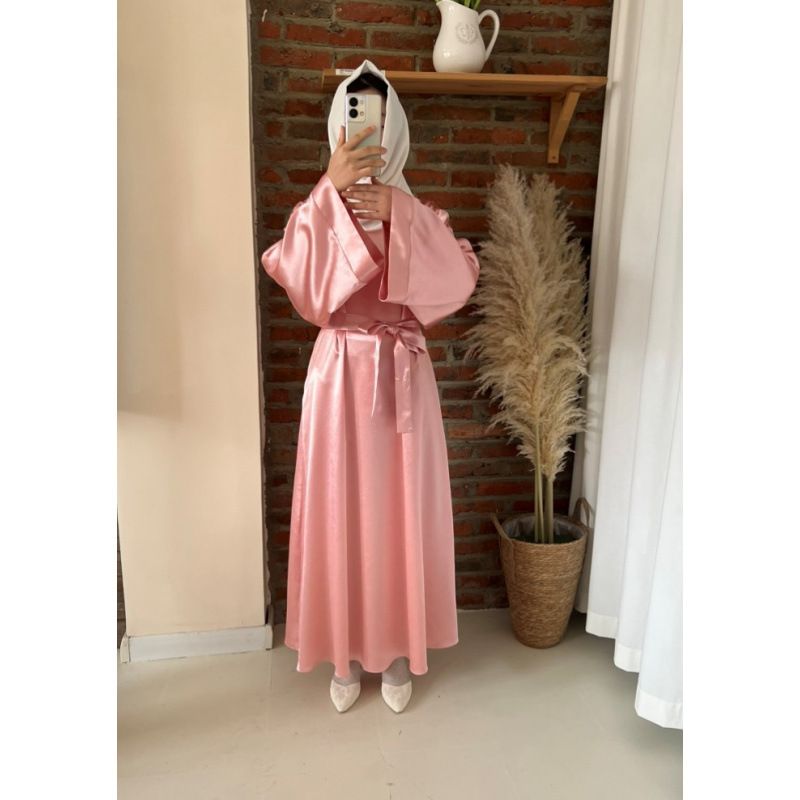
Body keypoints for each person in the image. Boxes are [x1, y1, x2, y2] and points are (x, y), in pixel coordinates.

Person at [261, 59, 480, 713]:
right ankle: (344, 649)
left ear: (395, 128)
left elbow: (458, 280)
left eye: (378, 118)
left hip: (403, 373)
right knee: (341, 509)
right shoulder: (316, 212)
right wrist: (329, 190)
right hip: (338, 376)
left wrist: (402, 213)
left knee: (398, 512)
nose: (367, 131)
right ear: (338, 126)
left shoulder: (419, 211)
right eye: (355, 116)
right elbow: (298, 280)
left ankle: (397, 648)